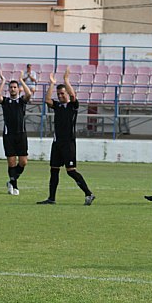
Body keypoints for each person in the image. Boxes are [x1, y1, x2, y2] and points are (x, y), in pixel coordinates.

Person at [37, 66, 95, 205]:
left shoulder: (72, 106)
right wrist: (52, 84)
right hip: (57, 143)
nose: (61, 96)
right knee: (54, 170)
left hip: (68, 143)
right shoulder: (57, 106)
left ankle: (89, 193)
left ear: (67, 94)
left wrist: (66, 80)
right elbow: (47, 100)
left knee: (71, 171)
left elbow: (73, 96)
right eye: (59, 94)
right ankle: (51, 198)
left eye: (63, 93)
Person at [0, 70, 32, 195]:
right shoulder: (5, 101)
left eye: (15, 87)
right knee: (11, 162)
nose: (13, 89)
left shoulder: (21, 101)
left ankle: (11, 180)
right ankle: (14, 187)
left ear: (18, 89)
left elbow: (29, 94)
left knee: (23, 162)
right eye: (11, 87)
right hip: (8, 135)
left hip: (21, 134)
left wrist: (22, 80)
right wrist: (3, 81)